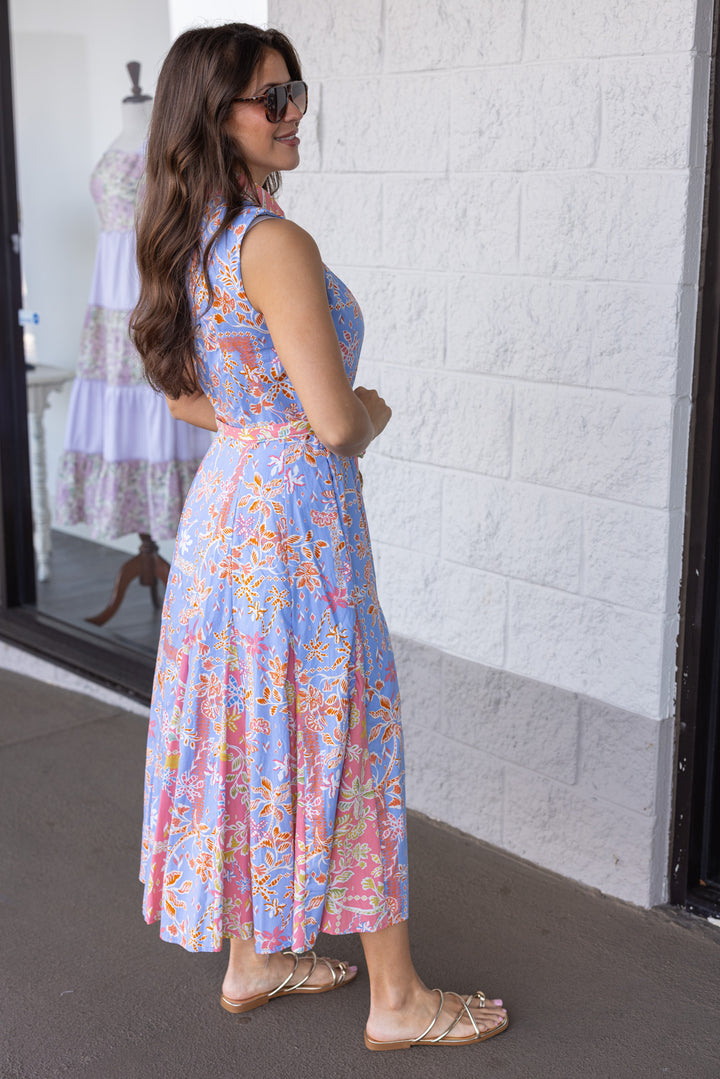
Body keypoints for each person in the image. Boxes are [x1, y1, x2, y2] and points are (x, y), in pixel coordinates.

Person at [131, 23, 508, 1051]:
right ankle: (397, 998)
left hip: (228, 516)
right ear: (216, 116)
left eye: (295, 91)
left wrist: (262, 425)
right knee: (346, 728)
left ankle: (252, 958)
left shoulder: (193, 237)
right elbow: (336, 421)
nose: (293, 112)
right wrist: (367, 411)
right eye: (271, 98)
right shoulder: (272, 243)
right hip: (297, 524)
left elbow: (183, 396)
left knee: (255, 724)